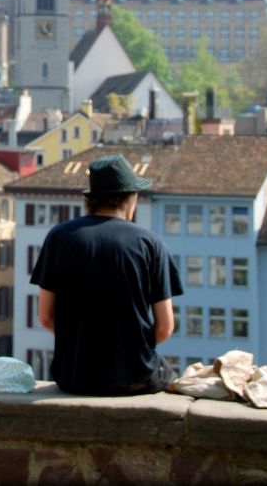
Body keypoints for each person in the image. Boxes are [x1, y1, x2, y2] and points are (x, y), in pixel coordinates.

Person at [30, 153, 183, 395]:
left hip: (74, 377)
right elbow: (164, 328)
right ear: (130, 198)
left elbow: (46, 318)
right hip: (135, 378)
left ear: (91, 199)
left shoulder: (59, 237)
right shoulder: (150, 243)